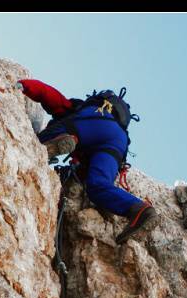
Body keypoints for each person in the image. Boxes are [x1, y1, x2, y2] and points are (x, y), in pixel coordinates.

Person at [16, 79, 157, 244]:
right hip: (118, 143)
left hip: (96, 120)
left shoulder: (78, 108)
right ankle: (140, 210)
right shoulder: (119, 129)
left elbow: (50, 95)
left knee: (41, 140)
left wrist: (24, 85)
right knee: (98, 185)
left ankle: (59, 139)